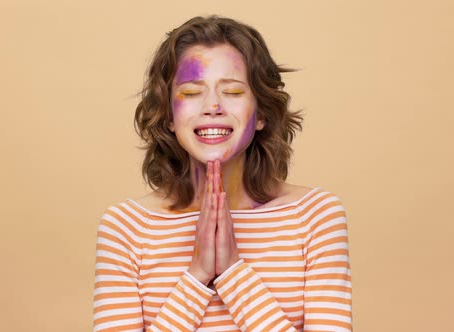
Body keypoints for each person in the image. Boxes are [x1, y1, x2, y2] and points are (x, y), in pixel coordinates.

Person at [93, 15, 352, 331]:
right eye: (190, 93)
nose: (212, 106)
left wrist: (232, 272)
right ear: (169, 116)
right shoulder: (126, 227)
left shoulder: (315, 216)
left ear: (262, 114)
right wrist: (197, 275)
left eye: (232, 91)